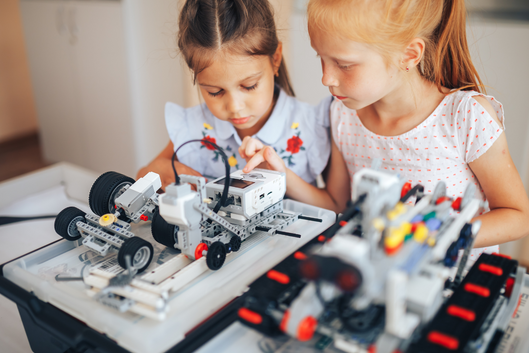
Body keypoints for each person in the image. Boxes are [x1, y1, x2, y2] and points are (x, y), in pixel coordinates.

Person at [240, 0, 529, 261]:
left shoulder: (465, 117)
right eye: (321, 59)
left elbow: (518, 217)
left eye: (344, 64)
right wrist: (281, 174)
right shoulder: (343, 114)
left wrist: (435, 233)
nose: (326, 78)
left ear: (409, 55)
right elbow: (337, 204)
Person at [136, 0, 332, 190]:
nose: (235, 106)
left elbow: (336, 205)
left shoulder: (312, 126)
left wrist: (281, 176)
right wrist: (159, 169)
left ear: (275, 59)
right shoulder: (194, 127)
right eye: (215, 92)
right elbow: (142, 176)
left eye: (249, 86)